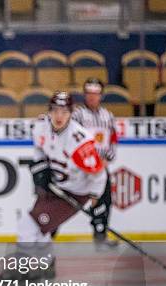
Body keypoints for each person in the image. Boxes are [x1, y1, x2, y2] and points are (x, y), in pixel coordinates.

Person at [0, 91, 107, 281]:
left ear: (71, 113)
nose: (58, 116)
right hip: (55, 187)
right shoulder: (41, 126)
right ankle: (46, 267)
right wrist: (41, 167)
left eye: (64, 111)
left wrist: (96, 200)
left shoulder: (80, 141)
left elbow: (99, 173)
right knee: (39, 228)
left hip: (75, 193)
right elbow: (39, 148)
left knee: (28, 225)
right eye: (55, 110)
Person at [72, 78, 119, 249]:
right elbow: (70, 140)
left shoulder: (108, 116)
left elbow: (113, 140)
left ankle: (100, 237)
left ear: (101, 95)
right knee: (64, 201)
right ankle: (47, 235)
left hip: (100, 167)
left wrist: (107, 160)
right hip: (79, 168)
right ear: (85, 95)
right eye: (89, 94)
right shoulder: (77, 115)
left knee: (105, 200)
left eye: (96, 94)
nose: (92, 97)